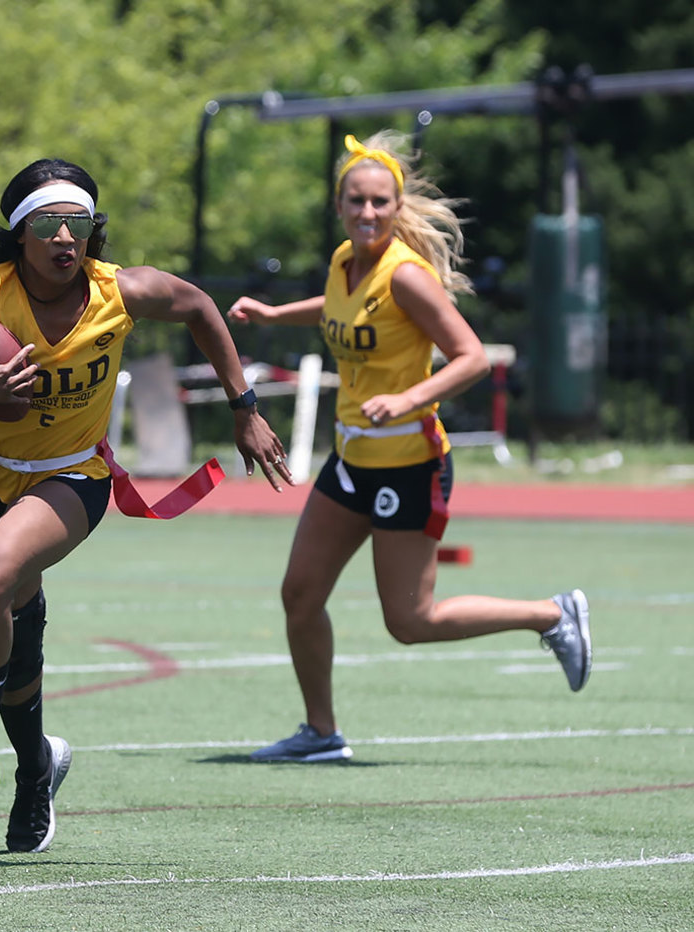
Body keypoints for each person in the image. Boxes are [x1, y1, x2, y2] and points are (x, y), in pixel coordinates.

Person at [0, 158, 292, 850]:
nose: (65, 238)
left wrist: (244, 408)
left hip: (72, 476)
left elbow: (199, 307)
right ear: (21, 233)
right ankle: (36, 769)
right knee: (15, 632)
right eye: (49, 224)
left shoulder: (121, 290)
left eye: (78, 224)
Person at [228, 131, 592, 764]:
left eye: (379, 202)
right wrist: (274, 315)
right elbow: (337, 308)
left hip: (409, 464)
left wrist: (408, 399)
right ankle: (321, 734)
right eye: (356, 200)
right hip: (352, 460)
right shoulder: (345, 260)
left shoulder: (406, 277)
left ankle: (551, 615)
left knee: (409, 621)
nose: (367, 212)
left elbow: (472, 357)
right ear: (339, 205)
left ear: (397, 208)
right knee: (300, 594)